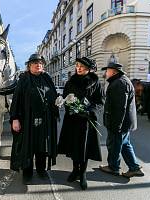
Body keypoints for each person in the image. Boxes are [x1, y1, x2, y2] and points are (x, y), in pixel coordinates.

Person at [9, 53, 59, 183]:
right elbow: (16, 100)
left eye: (40, 63)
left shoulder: (47, 78)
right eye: (35, 63)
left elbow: (53, 96)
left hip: (45, 120)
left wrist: (57, 103)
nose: (38, 65)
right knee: (28, 146)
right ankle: (27, 171)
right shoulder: (24, 79)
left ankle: (41, 170)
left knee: (42, 147)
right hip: (27, 120)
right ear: (29, 66)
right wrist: (15, 118)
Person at [57, 57, 105, 190]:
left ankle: (83, 174)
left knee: (84, 148)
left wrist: (90, 111)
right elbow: (66, 98)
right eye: (77, 65)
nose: (78, 68)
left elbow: (100, 102)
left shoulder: (95, 83)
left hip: (86, 121)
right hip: (72, 119)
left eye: (82, 66)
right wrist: (71, 108)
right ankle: (74, 170)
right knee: (73, 146)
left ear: (88, 69)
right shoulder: (70, 82)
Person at [99, 62, 144, 178]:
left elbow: (120, 107)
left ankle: (113, 167)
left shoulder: (119, 83)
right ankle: (134, 168)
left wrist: (117, 125)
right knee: (125, 144)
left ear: (114, 71)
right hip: (124, 122)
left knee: (114, 145)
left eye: (107, 71)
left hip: (119, 123)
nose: (106, 73)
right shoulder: (121, 81)